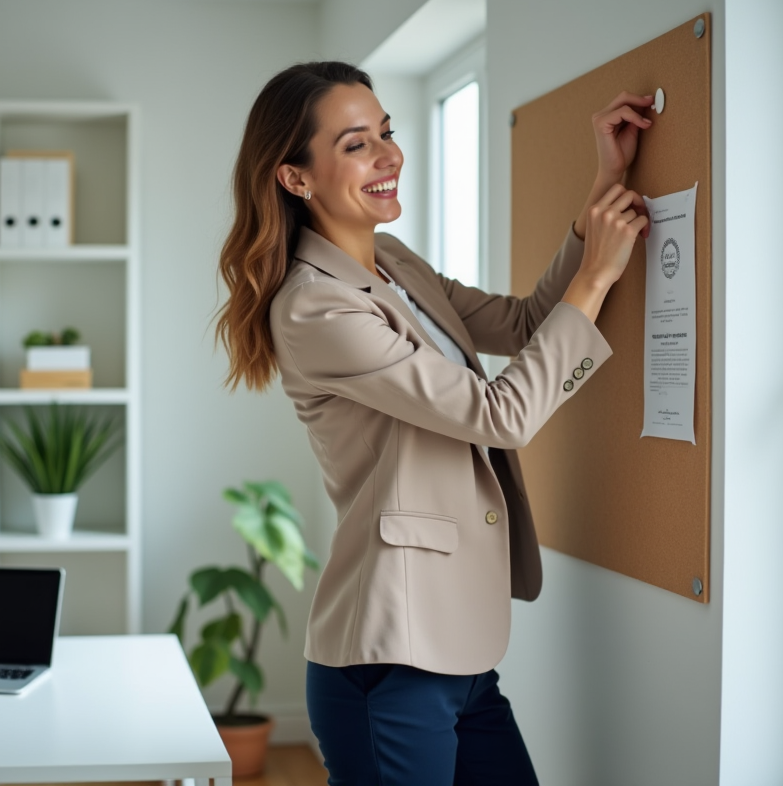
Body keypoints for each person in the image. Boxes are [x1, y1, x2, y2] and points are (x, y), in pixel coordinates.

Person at [216, 61, 652, 785]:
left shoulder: (392, 261)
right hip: (391, 659)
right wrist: (598, 276)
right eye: (357, 145)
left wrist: (601, 193)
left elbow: (524, 323)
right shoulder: (314, 308)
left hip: (459, 651)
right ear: (297, 178)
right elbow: (498, 415)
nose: (391, 155)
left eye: (386, 132)